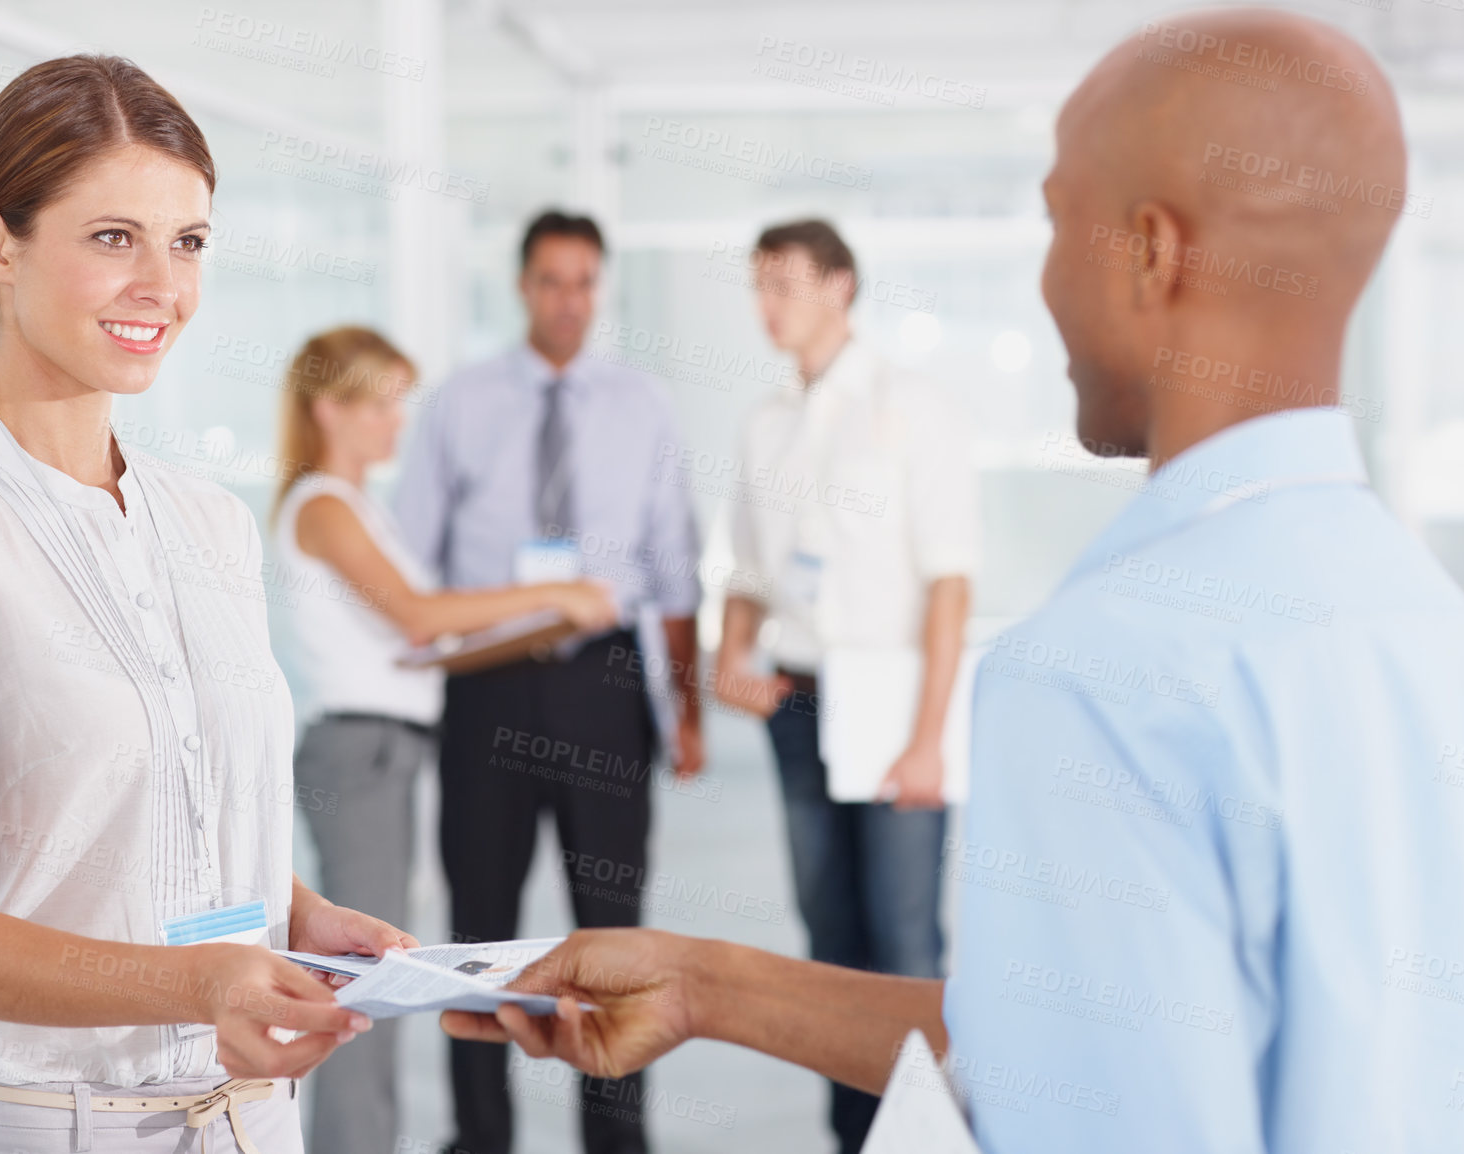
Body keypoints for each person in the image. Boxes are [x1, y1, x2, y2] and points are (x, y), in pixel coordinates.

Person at [441, 10, 1464, 1152]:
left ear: (1151, 252)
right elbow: (1079, 1042)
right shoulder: (1448, 650)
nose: (1045, 284)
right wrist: (705, 984)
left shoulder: (1105, 674)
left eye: (1057, 224)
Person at [0, 56, 414, 1153]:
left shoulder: (210, 524)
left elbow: (164, 787)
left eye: (187, 241)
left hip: (249, 1123)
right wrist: (201, 980)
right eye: (113, 238)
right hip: (51, 1128)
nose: (163, 284)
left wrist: (296, 913)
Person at [394, 210, 704, 1154]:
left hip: (603, 688)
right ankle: (478, 1135)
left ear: (597, 290)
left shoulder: (642, 405)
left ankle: (617, 1142)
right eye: (550, 282)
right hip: (488, 687)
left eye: (584, 283)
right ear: (522, 288)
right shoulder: (459, 402)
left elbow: (676, 566)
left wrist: (684, 712)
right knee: (478, 927)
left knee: (611, 934)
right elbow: (413, 559)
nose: (568, 301)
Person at [269, 325, 617, 1154]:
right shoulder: (320, 504)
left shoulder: (363, 510)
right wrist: (558, 592)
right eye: (383, 404)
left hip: (392, 751)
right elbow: (421, 618)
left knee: (382, 980)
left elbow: (433, 648)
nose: (398, 423)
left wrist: (548, 627)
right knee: (365, 987)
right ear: (330, 407)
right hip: (360, 754)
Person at [712, 218, 978, 1152]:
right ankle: (854, 1141)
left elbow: (950, 581)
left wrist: (930, 740)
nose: (766, 306)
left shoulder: (912, 407)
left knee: (905, 946)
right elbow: (746, 576)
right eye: (758, 286)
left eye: (783, 284)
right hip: (799, 699)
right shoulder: (764, 420)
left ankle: (932, 1139)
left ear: (841, 287)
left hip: (895, 703)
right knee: (829, 945)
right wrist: (728, 658)